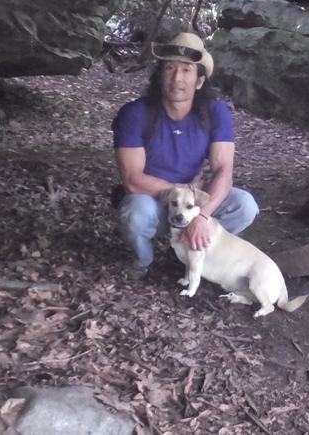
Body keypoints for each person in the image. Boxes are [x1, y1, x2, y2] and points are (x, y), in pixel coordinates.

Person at [111, 32, 259, 277]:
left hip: (192, 203)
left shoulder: (215, 112)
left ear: (199, 81)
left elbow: (224, 172)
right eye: (169, 68)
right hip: (153, 201)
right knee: (134, 214)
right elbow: (132, 179)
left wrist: (201, 214)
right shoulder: (135, 113)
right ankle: (143, 260)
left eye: (187, 70)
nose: (177, 78)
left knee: (244, 206)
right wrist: (183, 190)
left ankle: (182, 253)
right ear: (159, 76)